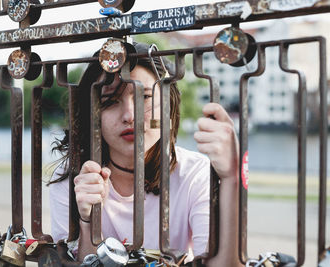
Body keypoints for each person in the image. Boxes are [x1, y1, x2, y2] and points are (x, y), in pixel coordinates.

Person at [49, 42, 242, 266]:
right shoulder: (73, 177)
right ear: (93, 115)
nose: (130, 115)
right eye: (109, 101)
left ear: (169, 104)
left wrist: (231, 178)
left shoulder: (194, 172)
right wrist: (87, 222)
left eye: (144, 97)